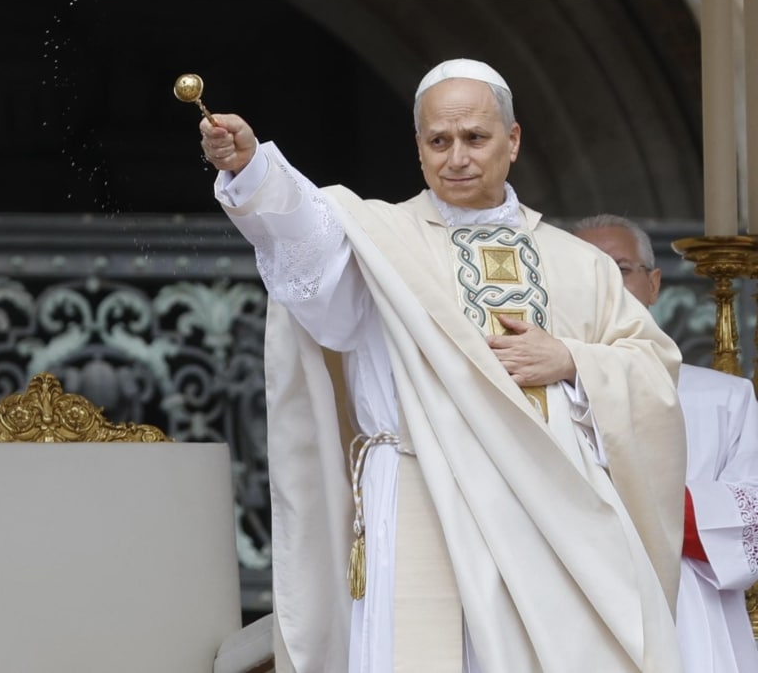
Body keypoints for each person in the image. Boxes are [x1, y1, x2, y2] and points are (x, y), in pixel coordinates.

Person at [198, 58, 687, 672]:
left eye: (475, 138)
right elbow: (304, 230)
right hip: (415, 486)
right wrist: (252, 170)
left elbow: (653, 373)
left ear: (512, 141)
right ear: (419, 147)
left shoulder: (577, 263)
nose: (457, 156)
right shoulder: (378, 240)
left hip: (550, 513)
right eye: (439, 140)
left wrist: (569, 359)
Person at [573, 213, 758, 673]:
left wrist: (621, 502)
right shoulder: (540, 393)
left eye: (618, 268)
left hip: (690, 608)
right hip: (575, 602)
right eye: (582, 269)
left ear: (653, 285)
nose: (603, 284)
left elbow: (752, 514)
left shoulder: (724, 397)